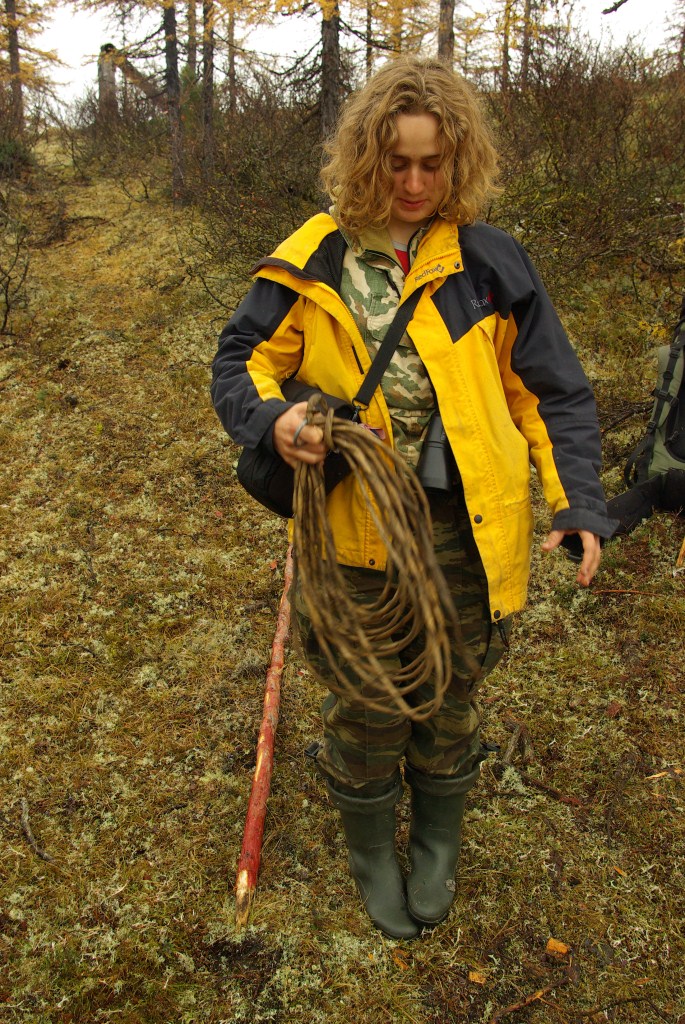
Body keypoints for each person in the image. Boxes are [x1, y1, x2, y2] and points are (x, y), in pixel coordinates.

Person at [211, 56, 616, 940]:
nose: (414, 183)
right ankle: (369, 847)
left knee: (450, 688)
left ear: (458, 159)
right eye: (396, 162)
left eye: (432, 164)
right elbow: (239, 362)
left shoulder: (487, 261)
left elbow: (548, 392)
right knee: (368, 697)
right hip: (353, 527)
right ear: (367, 154)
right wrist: (276, 422)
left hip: (468, 527)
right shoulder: (314, 254)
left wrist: (576, 501)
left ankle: (436, 837)